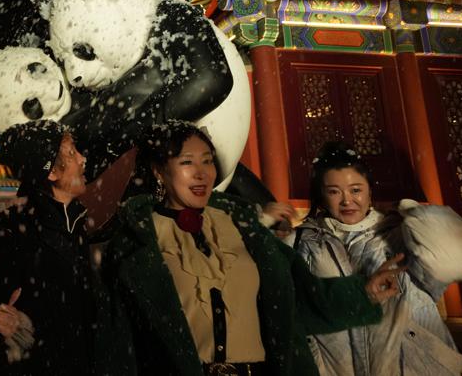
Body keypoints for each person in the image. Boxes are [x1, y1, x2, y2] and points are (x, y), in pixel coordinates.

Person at [102, 121, 403, 376]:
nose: (202, 173)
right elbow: (118, 340)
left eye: (207, 161)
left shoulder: (244, 228)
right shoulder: (137, 242)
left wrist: (365, 294)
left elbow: (297, 299)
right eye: (186, 162)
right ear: (158, 171)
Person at [293, 142, 462, 376]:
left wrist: (413, 213)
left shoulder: (398, 234)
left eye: (356, 190)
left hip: (413, 367)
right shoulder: (306, 243)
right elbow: (300, 309)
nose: (347, 201)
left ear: (370, 191)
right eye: (334, 191)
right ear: (322, 196)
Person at [0, 119, 108, 375]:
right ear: (50, 172)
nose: (82, 159)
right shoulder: (11, 232)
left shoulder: (74, 223)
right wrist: (14, 330)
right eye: (70, 153)